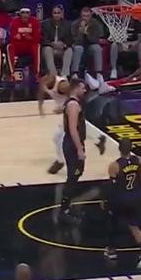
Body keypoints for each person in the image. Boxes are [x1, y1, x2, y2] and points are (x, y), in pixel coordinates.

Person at [103, 138, 141, 269]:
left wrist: (106, 201)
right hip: (136, 198)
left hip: (121, 199)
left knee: (113, 221)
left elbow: (111, 187)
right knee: (134, 226)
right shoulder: (139, 161)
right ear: (131, 148)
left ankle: (112, 250)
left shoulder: (115, 165)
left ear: (119, 148)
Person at [59, 78, 87, 223]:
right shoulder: (73, 105)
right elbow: (73, 129)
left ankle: (67, 206)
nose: (85, 90)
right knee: (72, 176)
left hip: (72, 143)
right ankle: (64, 210)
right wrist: (79, 149)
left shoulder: (70, 102)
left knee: (76, 174)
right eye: (82, 88)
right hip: (72, 145)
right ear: (76, 88)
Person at [39, 73, 70, 175]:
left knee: (58, 137)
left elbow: (75, 97)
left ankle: (62, 161)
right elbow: (41, 93)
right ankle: (60, 161)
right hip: (65, 113)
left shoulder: (62, 85)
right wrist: (40, 107)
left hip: (71, 110)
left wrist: (63, 108)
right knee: (58, 137)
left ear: (51, 76)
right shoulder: (45, 82)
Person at [70, 6, 105, 86]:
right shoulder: (75, 24)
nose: (85, 18)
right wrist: (81, 32)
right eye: (84, 16)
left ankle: (99, 74)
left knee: (97, 48)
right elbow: (75, 41)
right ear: (81, 16)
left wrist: (86, 33)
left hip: (91, 45)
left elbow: (97, 39)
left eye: (87, 16)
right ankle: (75, 73)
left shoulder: (96, 24)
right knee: (78, 48)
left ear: (91, 16)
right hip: (79, 45)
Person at [7, 7, 41, 78]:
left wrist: (30, 38)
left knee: (37, 46)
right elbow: (11, 37)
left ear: (30, 14)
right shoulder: (14, 22)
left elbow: (37, 38)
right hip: (18, 45)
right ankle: (12, 72)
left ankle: (37, 73)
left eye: (27, 13)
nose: (25, 15)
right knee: (9, 47)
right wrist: (15, 37)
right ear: (20, 14)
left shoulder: (35, 21)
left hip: (30, 45)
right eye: (23, 13)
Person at [41, 5, 73, 79]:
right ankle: (54, 75)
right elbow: (43, 39)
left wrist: (64, 45)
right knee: (47, 49)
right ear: (52, 14)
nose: (56, 15)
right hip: (50, 49)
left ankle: (64, 75)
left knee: (69, 50)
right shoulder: (45, 24)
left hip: (61, 49)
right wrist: (52, 44)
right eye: (55, 13)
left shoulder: (68, 24)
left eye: (58, 13)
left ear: (62, 14)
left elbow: (70, 39)